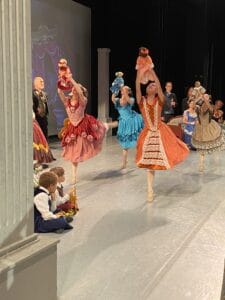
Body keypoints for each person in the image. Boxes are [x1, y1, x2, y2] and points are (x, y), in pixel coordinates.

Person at [135, 67, 189, 202]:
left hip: (159, 132)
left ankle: (151, 190)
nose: (151, 86)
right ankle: (150, 190)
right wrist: (139, 74)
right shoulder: (141, 101)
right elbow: (137, 87)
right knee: (148, 165)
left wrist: (153, 74)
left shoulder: (160, 100)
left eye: (153, 85)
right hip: (147, 134)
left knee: (167, 153)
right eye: (149, 85)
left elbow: (159, 87)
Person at [58, 75, 117, 183]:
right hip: (72, 128)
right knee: (73, 152)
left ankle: (110, 125)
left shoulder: (83, 100)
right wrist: (61, 81)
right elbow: (60, 92)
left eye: (76, 88)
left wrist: (71, 79)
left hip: (83, 126)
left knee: (101, 127)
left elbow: (80, 93)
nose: (74, 88)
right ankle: (74, 175)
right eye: (73, 88)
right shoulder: (67, 101)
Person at [111, 85, 143, 169]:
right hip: (123, 124)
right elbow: (112, 98)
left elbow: (128, 100)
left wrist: (124, 91)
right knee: (125, 145)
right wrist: (115, 89)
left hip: (132, 122)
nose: (123, 90)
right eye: (123, 89)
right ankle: (124, 163)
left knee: (137, 141)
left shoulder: (131, 100)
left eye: (125, 89)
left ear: (128, 92)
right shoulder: (118, 100)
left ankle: (140, 158)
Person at [192, 93, 225, 172]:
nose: (204, 97)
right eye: (204, 96)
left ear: (209, 99)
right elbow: (193, 104)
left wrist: (205, 99)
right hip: (200, 128)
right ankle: (201, 164)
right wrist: (199, 97)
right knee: (201, 147)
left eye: (207, 96)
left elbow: (211, 109)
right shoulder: (198, 107)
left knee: (211, 143)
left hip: (208, 127)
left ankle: (215, 160)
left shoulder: (211, 107)